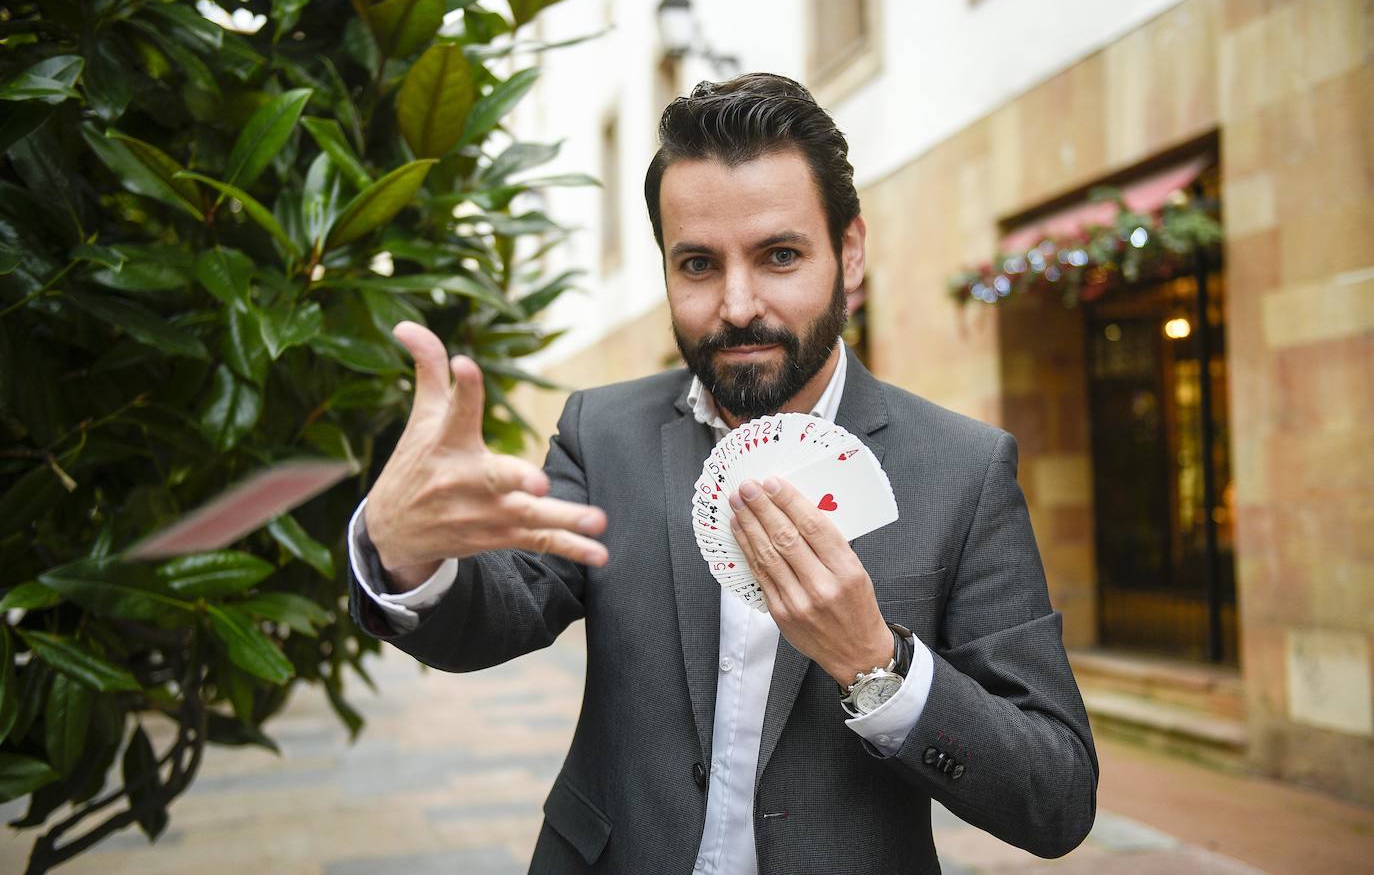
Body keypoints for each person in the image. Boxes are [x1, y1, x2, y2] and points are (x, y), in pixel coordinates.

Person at [347, 73, 1098, 874]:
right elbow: (500, 610)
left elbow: (1055, 794)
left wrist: (877, 663)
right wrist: (409, 556)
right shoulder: (602, 434)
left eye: (779, 255)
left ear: (849, 254)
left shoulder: (963, 468)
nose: (738, 305)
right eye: (699, 264)